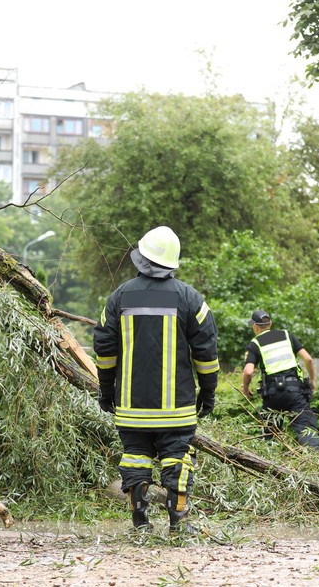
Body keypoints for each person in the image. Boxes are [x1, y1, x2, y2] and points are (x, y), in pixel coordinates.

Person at [93, 226, 220, 534]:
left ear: (141, 257)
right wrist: (208, 392)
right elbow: (206, 352)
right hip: (176, 407)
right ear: (172, 262)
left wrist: (107, 391)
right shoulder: (191, 298)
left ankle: (140, 522)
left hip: (131, 407)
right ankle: (178, 523)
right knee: (177, 456)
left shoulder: (119, 297)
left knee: (135, 456)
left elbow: (104, 351)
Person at [242, 310, 319, 449]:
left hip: (272, 395)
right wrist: (313, 380)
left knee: (269, 435)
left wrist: (245, 389)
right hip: (294, 392)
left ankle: (266, 463)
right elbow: (308, 359)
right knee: (306, 431)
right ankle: (316, 462)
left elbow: (248, 371)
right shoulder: (286, 335)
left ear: (255, 326)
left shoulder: (255, 344)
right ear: (270, 323)